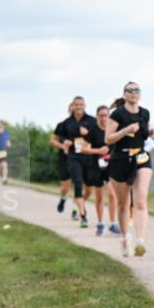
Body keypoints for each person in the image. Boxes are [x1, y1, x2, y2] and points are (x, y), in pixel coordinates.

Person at [106, 82, 154, 256]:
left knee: (140, 200)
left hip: (141, 157)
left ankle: (140, 240)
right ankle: (125, 237)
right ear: (124, 94)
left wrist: (150, 134)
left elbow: (144, 135)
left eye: (136, 90)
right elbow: (108, 139)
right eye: (130, 91)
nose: (133, 93)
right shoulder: (117, 114)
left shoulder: (145, 113)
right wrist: (125, 130)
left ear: (140, 94)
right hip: (120, 159)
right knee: (123, 203)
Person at [51, 97, 98, 228]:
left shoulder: (92, 121)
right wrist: (64, 143)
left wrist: (87, 133)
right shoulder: (66, 123)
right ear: (73, 106)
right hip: (72, 157)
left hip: (88, 157)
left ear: (85, 105)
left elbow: (98, 137)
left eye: (81, 104)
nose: (78, 107)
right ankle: (83, 216)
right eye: (76, 104)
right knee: (77, 183)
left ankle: (76, 203)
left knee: (89, 189)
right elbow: (56, 139)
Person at [85, 105, 113, 236]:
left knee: (112, 194)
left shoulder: (113, 130)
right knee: (99, 196)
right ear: (97, 117)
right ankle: (100, 223)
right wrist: (98, 150)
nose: (103, 118)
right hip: (96, 165)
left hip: (112, 165)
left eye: (105, 115)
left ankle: (113, 223)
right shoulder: (93, 131)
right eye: (101, 115)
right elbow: (82, 148)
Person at [51, 103, 75, 217]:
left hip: (80, 158)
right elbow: (52, 140)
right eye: (72, 108)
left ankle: (76, 209)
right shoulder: (62, 125)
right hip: (64, 158)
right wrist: (63, 146)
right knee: (65, 186)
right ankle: (63, 198)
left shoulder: (85, 125)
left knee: (79, 185)